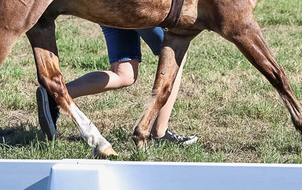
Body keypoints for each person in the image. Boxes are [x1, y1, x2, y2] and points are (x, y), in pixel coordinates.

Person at [36, 26, 198, 146]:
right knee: (175, 52)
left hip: (109, 5)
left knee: (124, 74)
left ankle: (54, 94)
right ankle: (159, 132)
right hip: (136, 3)